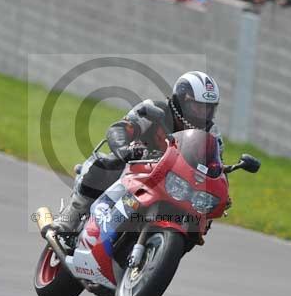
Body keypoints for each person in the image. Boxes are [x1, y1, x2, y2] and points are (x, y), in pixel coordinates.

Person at [44, 71, 223, 244]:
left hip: (173, 183)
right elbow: (120, 128)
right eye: (197, 107)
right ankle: (68, 221)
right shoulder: (155, 109)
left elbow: (217, 165)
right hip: (136, 168)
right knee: (105, 164)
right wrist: (123, 149)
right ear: (180, 100)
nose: (202, 114)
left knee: (198, 219)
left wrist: (220, 183)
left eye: (207, 109)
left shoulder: (212, 134)